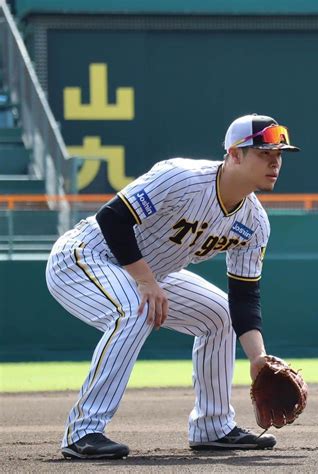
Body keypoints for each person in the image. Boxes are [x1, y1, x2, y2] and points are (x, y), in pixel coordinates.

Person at [45, 113, 300, 459]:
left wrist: (258, 358)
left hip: (150, 275)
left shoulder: (254, 223)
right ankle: (84, 431)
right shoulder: (182, 177)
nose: (275, 162)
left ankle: (214, 426)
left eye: (279, 155)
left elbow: (244, 297)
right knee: (135, 312)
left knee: (220, 315)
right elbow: (112, 218)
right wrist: (146, 282)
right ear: (235, 154)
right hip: (85, 256)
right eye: (264, 154)